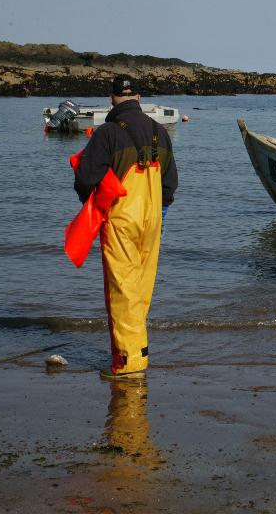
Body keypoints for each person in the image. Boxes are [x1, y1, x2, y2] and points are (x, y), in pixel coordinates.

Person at [74, 75, 178, 380]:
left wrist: (90, 204)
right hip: (154, 219)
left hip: (121, 218)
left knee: (122, 290)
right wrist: (161, 212)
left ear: (112, 100)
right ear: (140, 98)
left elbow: (85, 179)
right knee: (142, 289)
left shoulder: (106, 133)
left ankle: (127, 362)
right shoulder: (160, 132)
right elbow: (170, 183)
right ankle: (140, 352)